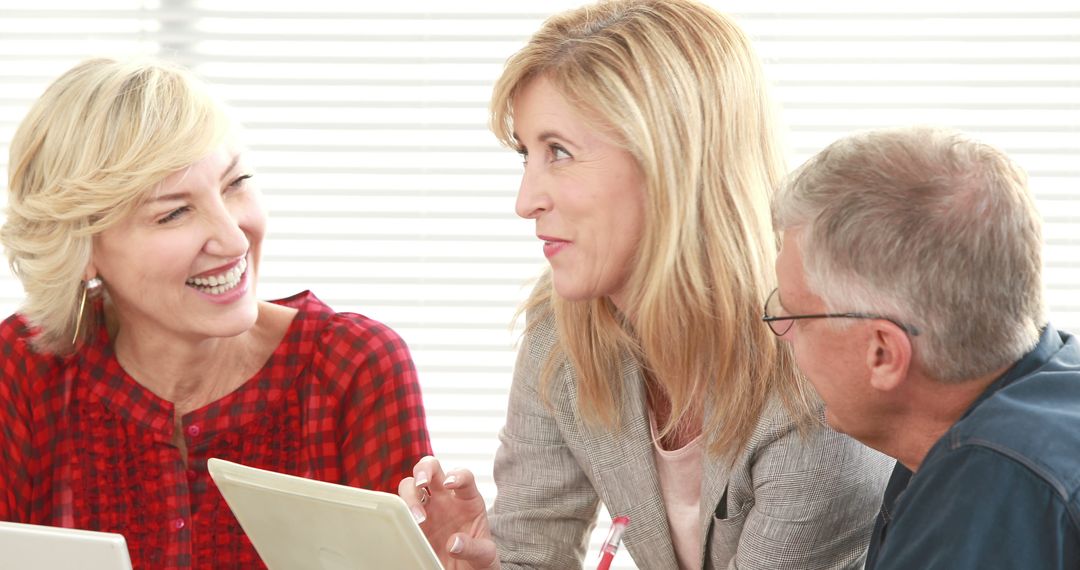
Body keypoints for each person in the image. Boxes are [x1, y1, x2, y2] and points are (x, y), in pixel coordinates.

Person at [398, 1, 893, 568]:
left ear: (670, 161)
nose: (524, 200)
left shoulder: (814, 380)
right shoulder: (561, 331)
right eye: (526, 154)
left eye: (558, 152)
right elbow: (530, 555)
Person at [0, 57, 433, 569]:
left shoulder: (354, 367)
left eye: (235, 182)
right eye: (174, 212)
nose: (233, 237)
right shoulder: (26, 365)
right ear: (83, 248)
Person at [768, 125, 1080, 568]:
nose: (783, 334)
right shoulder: (1050, 386)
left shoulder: (990, 495)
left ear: (883, 353)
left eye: (794, 315)